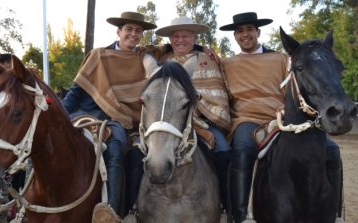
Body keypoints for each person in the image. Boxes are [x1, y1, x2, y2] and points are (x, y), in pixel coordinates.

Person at [219, 12, 343, 222]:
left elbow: (299, 85)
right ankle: (239, 216)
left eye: (249, 29)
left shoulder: (280, 58)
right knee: (242, 150)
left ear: (258, 32)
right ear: (235, 36)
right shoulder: (227, 64)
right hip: (246, 119)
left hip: (281, 118)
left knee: (331, 150)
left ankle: (336, 214)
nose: (245, 35)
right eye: (239, 31)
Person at [61, 11, 158, 221]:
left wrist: (201, 48)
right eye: (129, 29)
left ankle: (112, 212)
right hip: (86, 114)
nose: (133, 34)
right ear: (119, 31)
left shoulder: (143, 58)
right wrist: (59, 116)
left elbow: (171, 48)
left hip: (119, 120)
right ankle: (25, 202)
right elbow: (76, 90)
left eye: (138, 31)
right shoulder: (98, 55)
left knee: (115, 147)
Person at [154, 16, 231, 215]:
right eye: (176, 36)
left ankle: (225, 205)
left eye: (186, 36)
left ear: (194, 37)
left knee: (223, 150)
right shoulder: (162, 61)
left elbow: (217, 93)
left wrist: (199, 121)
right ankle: (135, 208)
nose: (180, 40)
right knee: (142, 153)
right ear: (170, 39)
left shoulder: (207, 60)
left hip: (205, 121)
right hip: (169, 122)